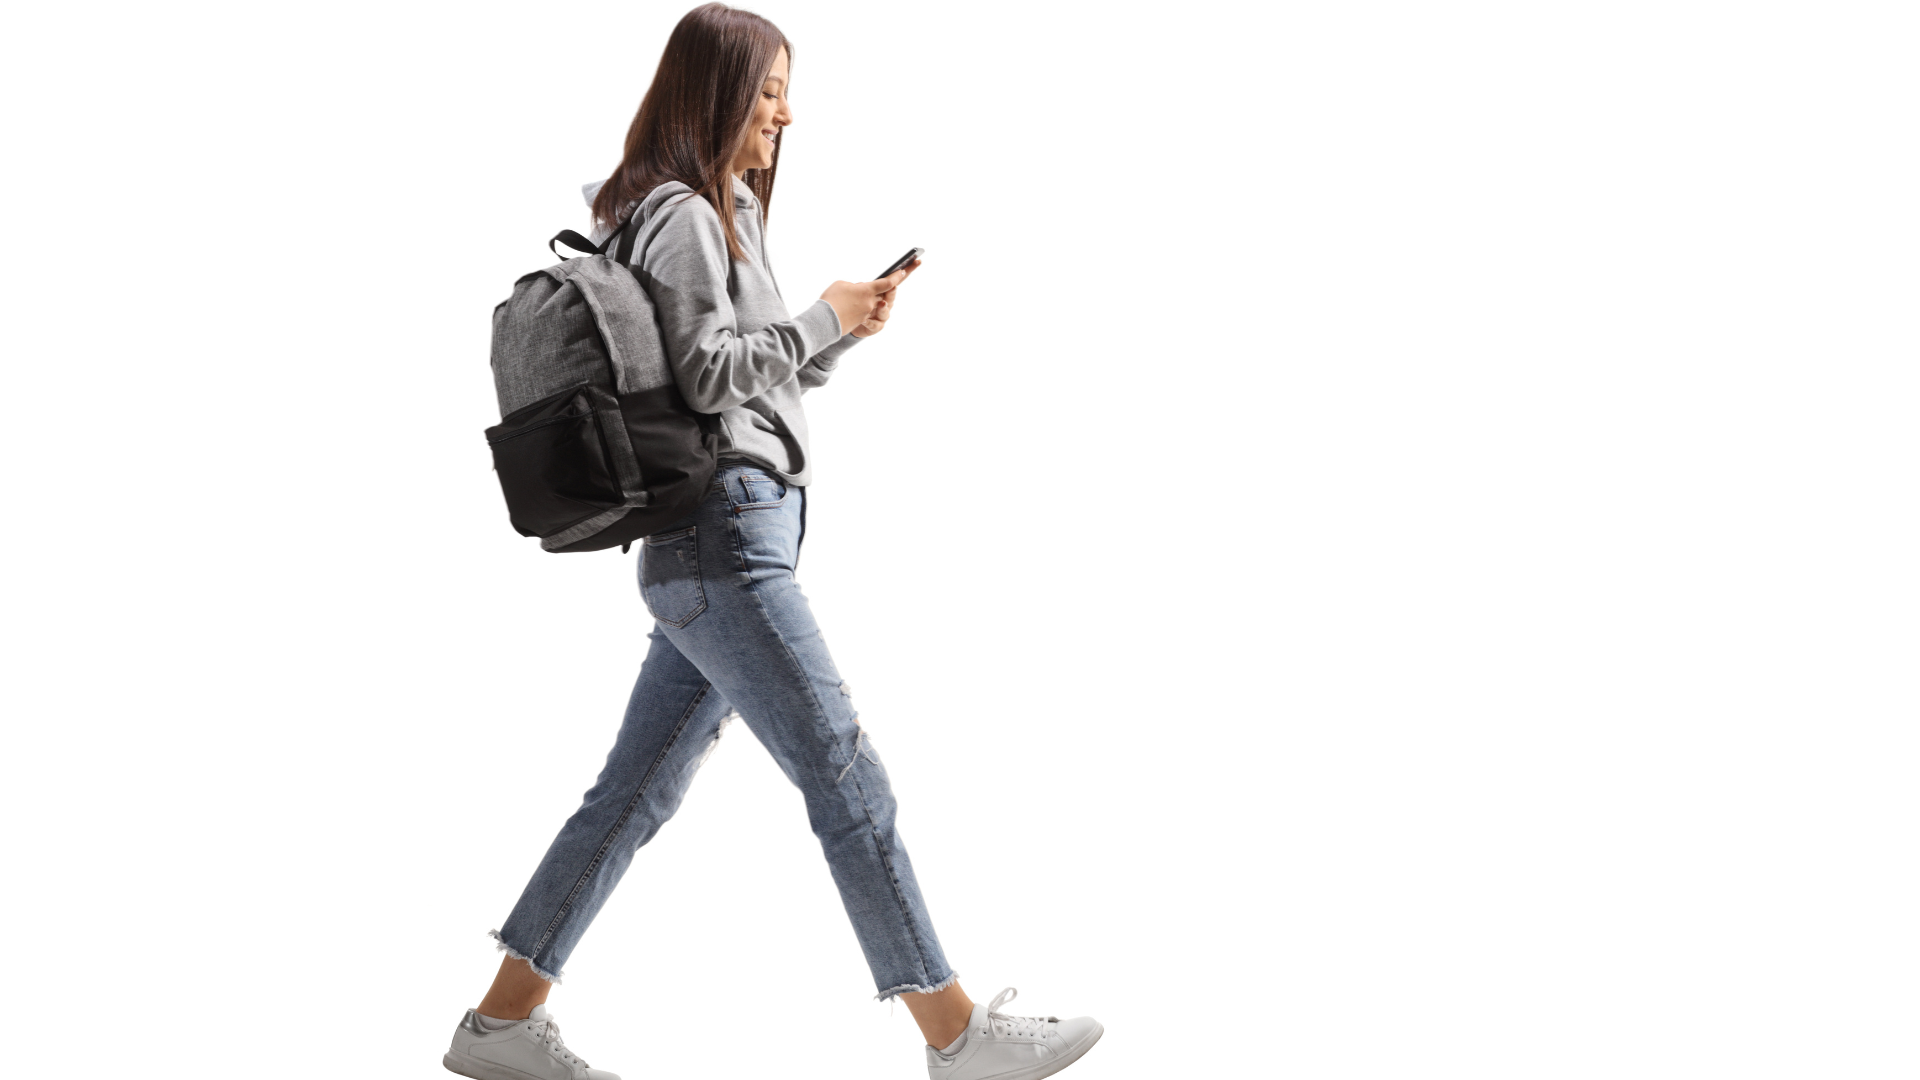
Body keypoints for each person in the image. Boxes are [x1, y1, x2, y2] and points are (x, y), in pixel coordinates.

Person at [442, 6, 1103, 1080]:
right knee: (846, 775)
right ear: (715, 94)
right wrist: (821, 318)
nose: (787, 114)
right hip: (723, 547)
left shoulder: (699, 211)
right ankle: (957, 1033)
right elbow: (711, 373)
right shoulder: (686, 213)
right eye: (769, 91)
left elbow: (736, 385)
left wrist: (839, 333)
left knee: (632, 794)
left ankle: (501, 1025)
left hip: (720, 547)